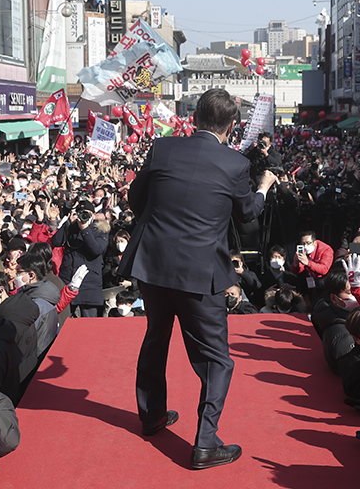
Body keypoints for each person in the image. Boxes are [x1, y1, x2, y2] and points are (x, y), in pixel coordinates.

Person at [117, 88, 277, 470]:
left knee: (156, 337)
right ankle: (205, 442)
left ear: (193, 119)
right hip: (199, 271)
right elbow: (247, 215)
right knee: (216, 359)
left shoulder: (163, 148)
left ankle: (152, 414)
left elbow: (135, 199)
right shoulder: (235, 164)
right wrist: (264, 188)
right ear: (231, 126)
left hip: (153, 264)